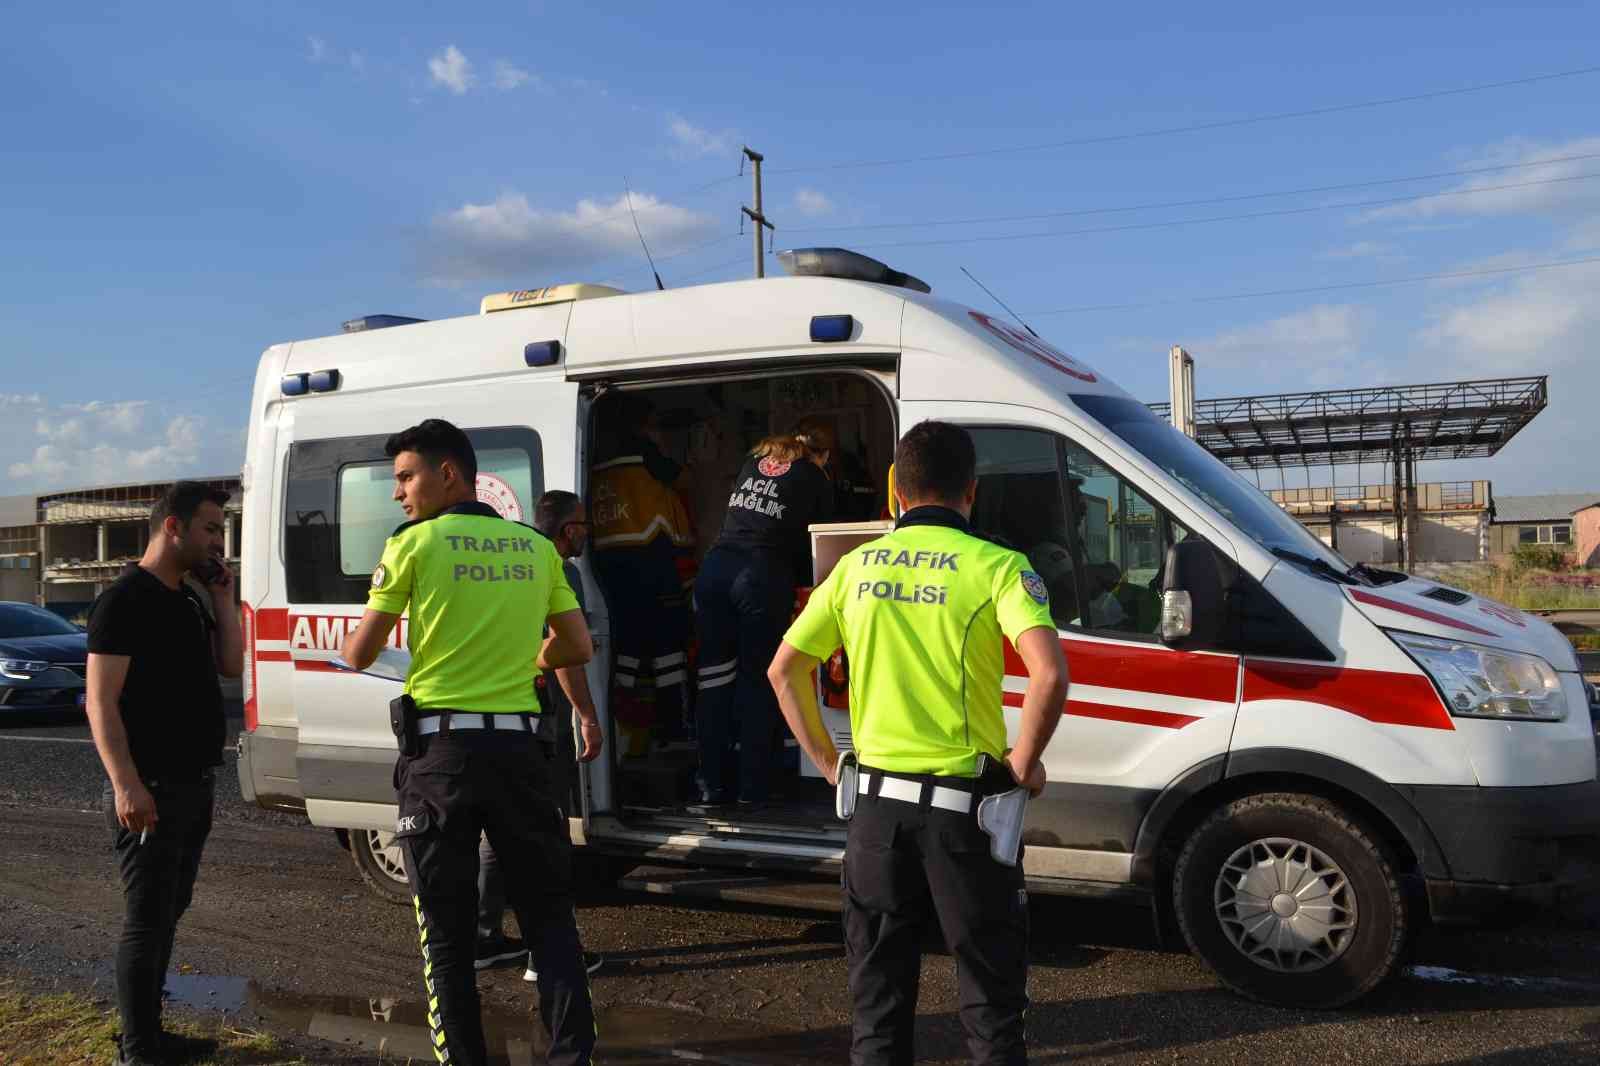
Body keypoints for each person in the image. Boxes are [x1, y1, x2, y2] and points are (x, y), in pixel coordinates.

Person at [768, 420, 1070, 1066]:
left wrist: (829, 763)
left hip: (875, 815)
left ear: (897, 494)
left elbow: (783, 670)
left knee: (877, 1009)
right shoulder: (996, 566)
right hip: (967, 818)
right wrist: (1021, 763)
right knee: (991, 1008)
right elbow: (1048, 671)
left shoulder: (855, 569)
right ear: (972, 492)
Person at [340, 419, 597, 1066]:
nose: (399, 493)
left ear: (447, 473)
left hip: (442, 760)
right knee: (550, 922)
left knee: (448, 937)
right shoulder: (535, 548)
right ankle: (572, 1057)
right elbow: (577, 646)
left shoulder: (413, 546)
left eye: (405, 477)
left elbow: (361, 650)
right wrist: (528, 656)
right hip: (520, 755)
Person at [85, 481, 244, 1066]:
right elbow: (99, 703)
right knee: (146, 920)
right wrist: (126, 783)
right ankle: (137, 1049)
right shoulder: (124, 599)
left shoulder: (190, 597)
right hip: (148, 788)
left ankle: (148, 1034)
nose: (216, 542)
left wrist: (224, 601)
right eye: (209, 529)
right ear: (172, 527)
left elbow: (230, 665)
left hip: (193, 784)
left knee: (168, 912)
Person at [476, 489, 605, 984]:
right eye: (583, 526)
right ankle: (547, 955)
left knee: (498, 833)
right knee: (544, 835)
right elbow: (564, 650)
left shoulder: (506, 557)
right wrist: (587, 716)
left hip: (494, 714)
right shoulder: (552, 565)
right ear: (567, 530)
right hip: (534, 720)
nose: (586, 535)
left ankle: (484, 938)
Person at [693, 423, 835, 808]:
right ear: (821, 455)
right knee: (760, 682)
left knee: (713, 682)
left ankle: (710, 786)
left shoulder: (753, 461)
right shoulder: (814, 475)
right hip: (758, 576)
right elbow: (823, 536)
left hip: (715, 570)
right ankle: (753, 789)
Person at [589, 393, 695, 756]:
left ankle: (623, 728)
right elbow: (679, 479)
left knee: (628, 651)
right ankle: (673, 730)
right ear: (642, 422)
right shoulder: (643, 450)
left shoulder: (597, 454)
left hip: (612, 562)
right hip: (650, 559)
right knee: (668, 652)